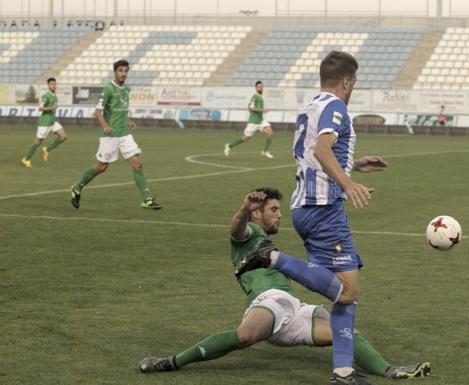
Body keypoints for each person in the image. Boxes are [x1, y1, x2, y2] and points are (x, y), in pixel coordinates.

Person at [138, 188, 431, 380]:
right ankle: (170, 362)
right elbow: (235, 230)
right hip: (268, 301)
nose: (279, 215)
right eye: (274, 210)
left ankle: (390, 370)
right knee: (244, 336)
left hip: (295, 308)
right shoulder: (249, 235)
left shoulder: (265, 241)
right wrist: (242, 210)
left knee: (346, 332)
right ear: (257, 213)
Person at [235, 51, 389, 385]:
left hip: (306, 206)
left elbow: (313, 153)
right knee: (347, 293)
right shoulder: (336, 107)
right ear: (347, 80)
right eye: (354, 81)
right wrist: (348, 183)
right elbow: (321, 150)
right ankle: (272, 257)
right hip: (323, 210)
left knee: (346, 293)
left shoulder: (310, 106)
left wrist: (353, 164)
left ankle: (343, 372)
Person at [70, 60, 161, 210]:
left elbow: (121, 110)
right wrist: (105, 126)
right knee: (101, 168)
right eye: (120, 70)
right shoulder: (109, 89)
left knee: (137, 164)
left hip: (125, 135)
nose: (123, 73)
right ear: (115, 72)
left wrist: (128, 120)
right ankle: (77, 187)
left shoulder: (127, 89)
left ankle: (147, 199)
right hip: (110, 135)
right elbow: (98, 111)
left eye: (125, 71)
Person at [21, 77, 67, 168]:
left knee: (63, 136)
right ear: (48, 85)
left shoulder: (54, 95)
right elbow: (40, 108)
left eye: (54, 84)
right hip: (45, 122)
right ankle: (26, 159)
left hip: (52, 121)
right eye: (51, 84)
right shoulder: (46, 96)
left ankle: (46, 150)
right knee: (38, 142)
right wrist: (51, 108)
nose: (54, 86)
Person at [224, 80, 274, 158]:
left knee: (270, 132)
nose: (261, 88)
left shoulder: (261, 97)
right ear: (256, 88)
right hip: (253, 122)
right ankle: (229, 146)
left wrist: (262, 110)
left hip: (261, 121)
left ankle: (265, 151)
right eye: (259, 87)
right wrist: (262, 110)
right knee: (245, 138)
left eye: (262, 87)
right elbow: (251, 108)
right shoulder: (255, 97)